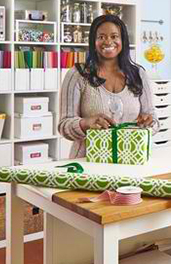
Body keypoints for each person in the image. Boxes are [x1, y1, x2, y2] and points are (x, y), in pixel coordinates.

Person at [58, 14, 158, 159]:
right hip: (86, 162)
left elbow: (154, 120)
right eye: (101, 37)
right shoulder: (77, 75)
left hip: (130, 160)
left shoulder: (138, 74)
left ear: (122, 40)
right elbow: (63, 126)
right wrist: (85, 123)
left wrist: (149, 123)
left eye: (114, 36)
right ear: (93, 41)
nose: (108, 41)